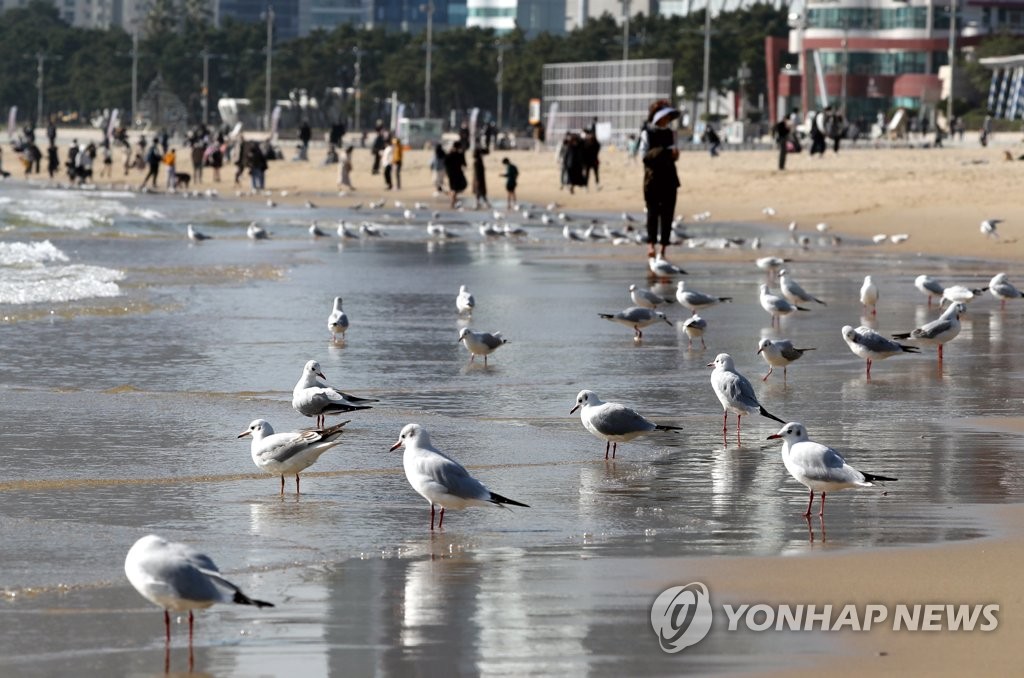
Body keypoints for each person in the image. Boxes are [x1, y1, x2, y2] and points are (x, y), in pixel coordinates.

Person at [640, 101, 680, 260]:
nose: (668, 119)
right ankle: (650, 244)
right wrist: (664, 152)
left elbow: (675, 155)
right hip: (652, 179)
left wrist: (674, 155)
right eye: (665, 116)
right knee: (652, 212)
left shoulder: (671, 133)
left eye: (669, 117)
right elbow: (644, 157)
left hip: (670, 178)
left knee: (668, 214)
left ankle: (663, 248)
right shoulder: (647, 133)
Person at [444, 141, 467, 208]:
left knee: (454, 188)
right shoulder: (460, 154)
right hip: (458, 173)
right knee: (457, 187)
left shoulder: (450, 154)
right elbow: (464, 164)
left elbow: (445, 162)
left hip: (451, 173)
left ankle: (453, 199)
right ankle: (452, 202)